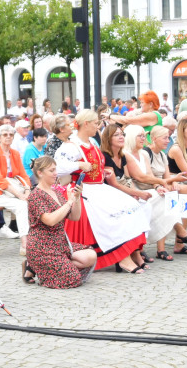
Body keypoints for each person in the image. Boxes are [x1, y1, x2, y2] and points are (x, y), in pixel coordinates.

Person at [55, 112, 149, 273]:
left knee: (132, 206)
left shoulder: (91, 142)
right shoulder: (71, 146)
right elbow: (57, 167)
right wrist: (78, 165)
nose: (97, 126)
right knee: (114, 213)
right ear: (85, 124)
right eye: (95, 123)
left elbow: (95, 166)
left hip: (98, 187)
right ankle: (121, 257)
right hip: (83, 189)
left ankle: (133, 253)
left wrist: (102, 172)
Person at [122, 126, 187, 259]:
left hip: (153, 188)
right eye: (139, 136)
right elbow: (141, 177)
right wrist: (169, 181)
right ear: (155, 139)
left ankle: (179, 239)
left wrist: (162, 185)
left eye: (143, 136)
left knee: (184, 193)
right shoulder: (135, 154)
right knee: (170, 198)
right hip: (139, 191)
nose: (143, 138)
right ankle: (180, 232)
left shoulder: (150, 154)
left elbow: (153, 176)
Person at [23, 156, 96, 288]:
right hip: (42, 246)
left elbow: (74, 217)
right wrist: (69, 202)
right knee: (72, 279)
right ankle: (40, 265)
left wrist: (77, 198)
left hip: (60, 242)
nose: (56, 173)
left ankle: (41, 267)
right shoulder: (35, 195)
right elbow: (50, 220)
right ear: (40, 173)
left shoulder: (56, 191)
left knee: (91, 256)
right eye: (51, 171)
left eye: (55, 169)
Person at [0, 124, 31, 255]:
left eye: (11, 135)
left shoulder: (15, 153)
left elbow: (23, 175)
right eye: (5, 135)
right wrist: (20, 195)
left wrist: (27, 191)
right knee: (22, 205)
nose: (8, 137)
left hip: (15, 191)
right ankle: (25, 243)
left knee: (31, 202)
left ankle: (35, 240)